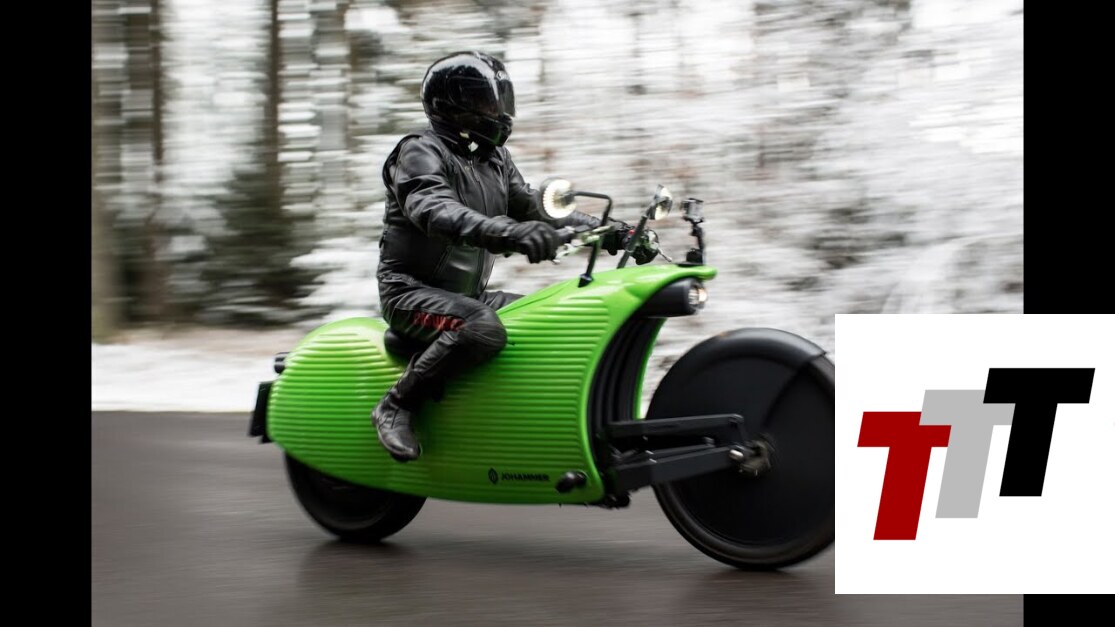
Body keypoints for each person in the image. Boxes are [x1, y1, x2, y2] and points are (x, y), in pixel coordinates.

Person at [372, 51, 650, 462]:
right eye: (487, 103)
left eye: (501, 102)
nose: (499, 113)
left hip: (468, 295)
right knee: (481, 327)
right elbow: (436, 211)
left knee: (552, 317)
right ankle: (396, 405)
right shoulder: (418, 152)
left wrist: (614, 232)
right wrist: (510, 234)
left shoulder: (494, 158)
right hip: (409, 294)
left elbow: (536, 209)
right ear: (453, 106)